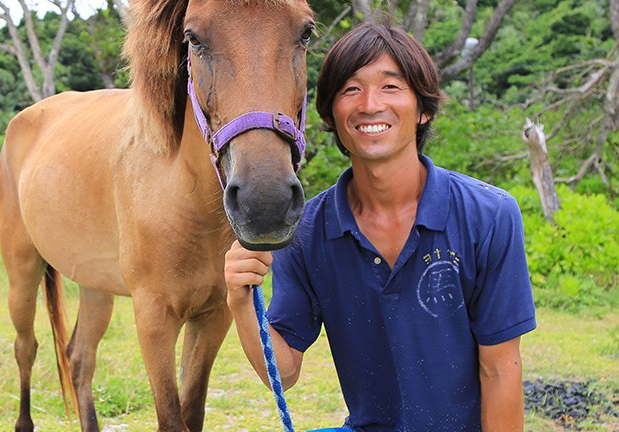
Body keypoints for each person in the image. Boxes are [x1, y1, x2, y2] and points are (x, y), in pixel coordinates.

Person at [224, 22, 536, 431]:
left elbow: (500, 370)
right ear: (331, 115)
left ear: (423, 109)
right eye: (350, 89)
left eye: (391, 87)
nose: (370, 104)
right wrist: (241, 302)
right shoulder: (307, 232)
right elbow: (284, 372)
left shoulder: (488, 214)